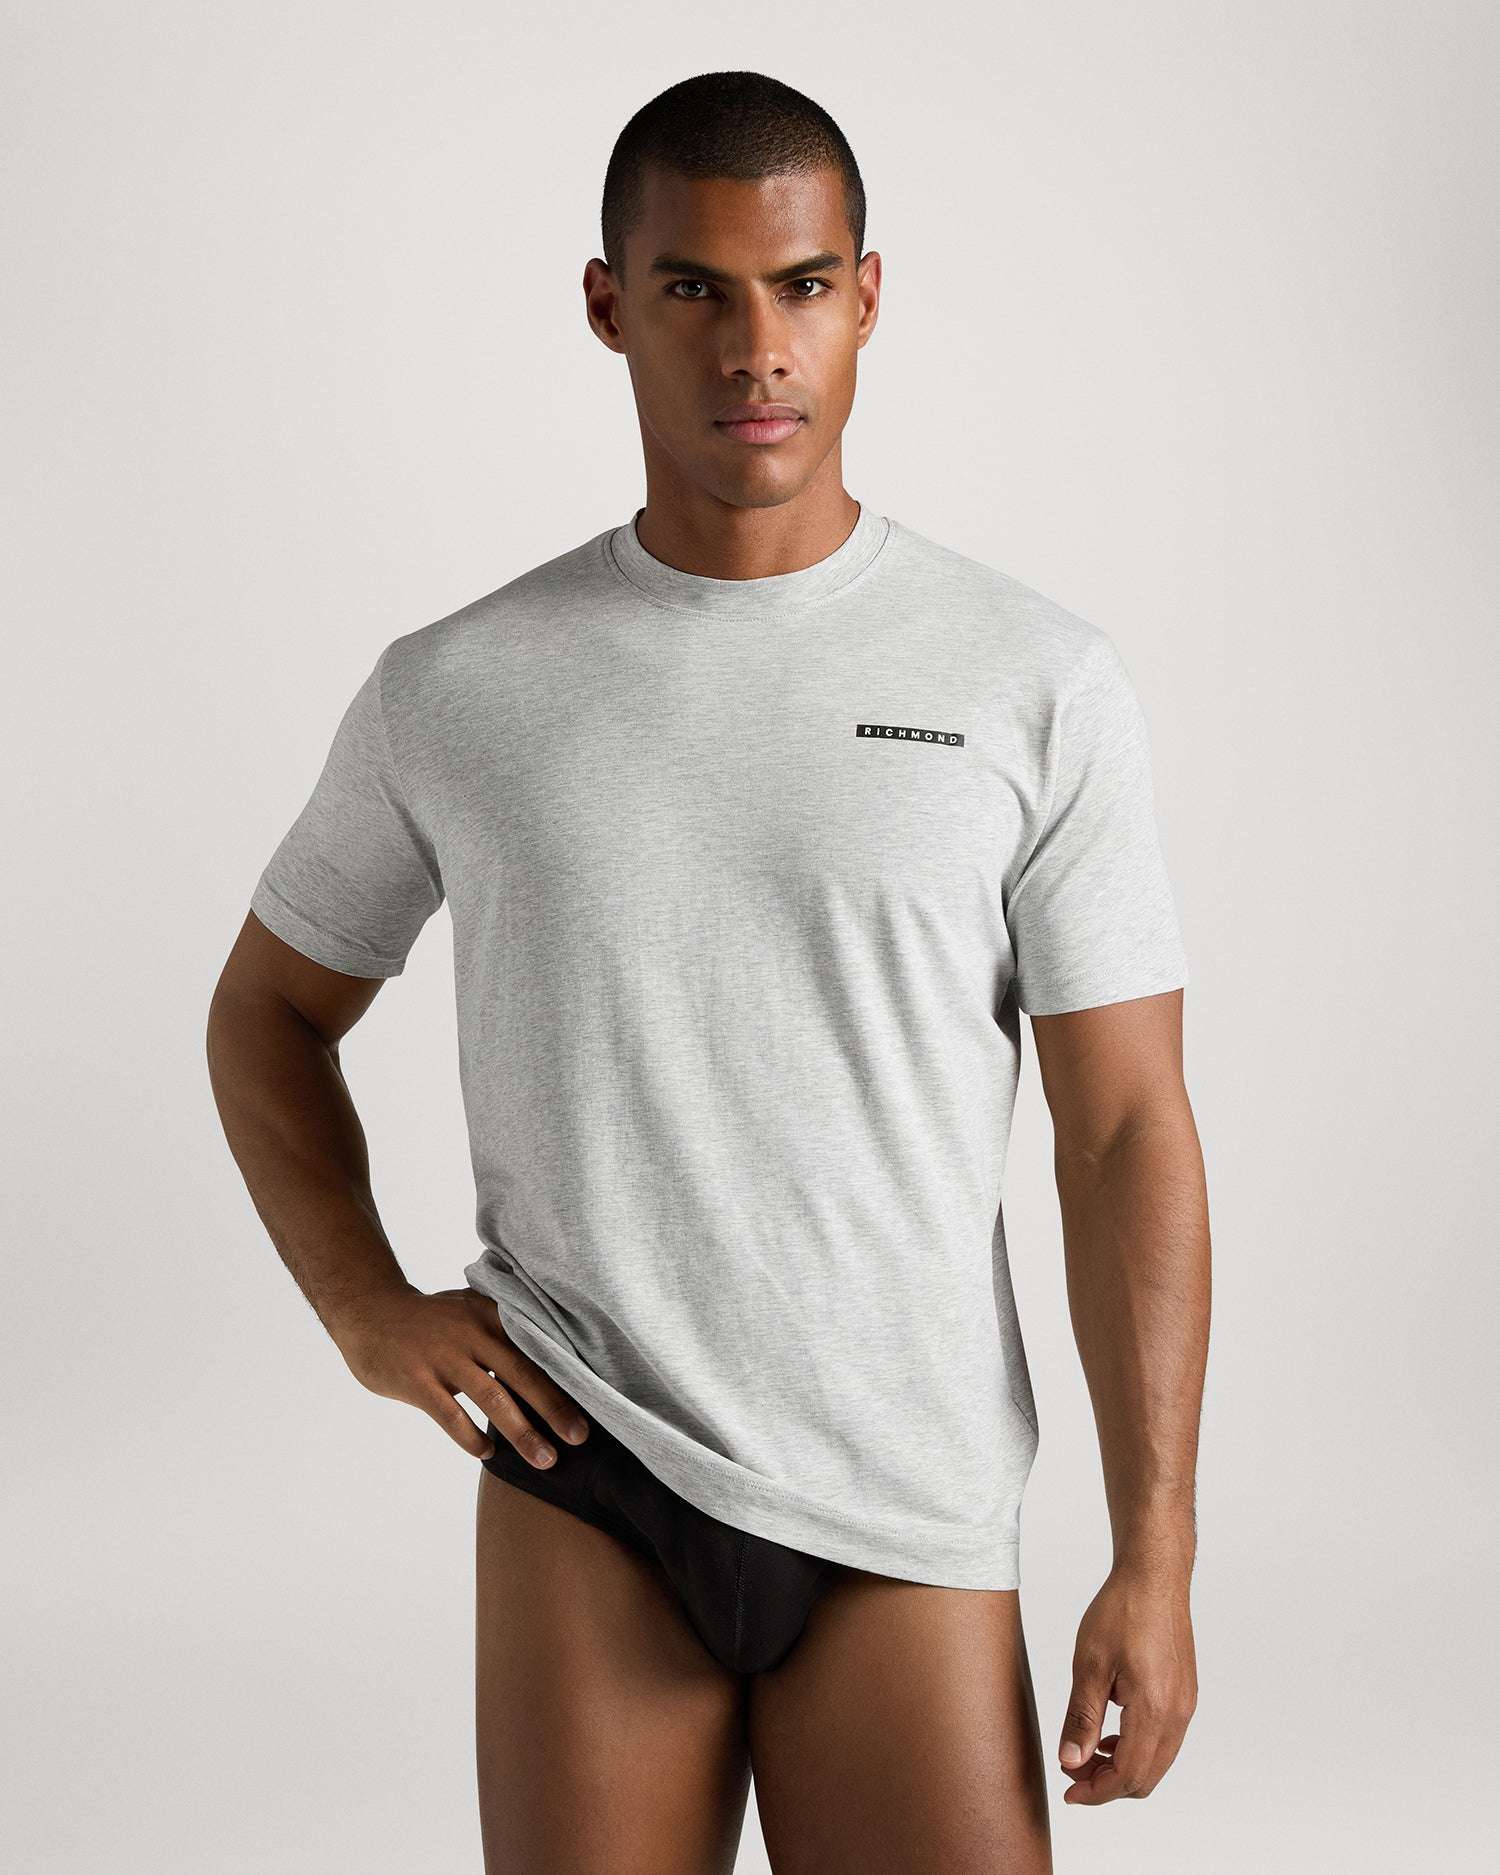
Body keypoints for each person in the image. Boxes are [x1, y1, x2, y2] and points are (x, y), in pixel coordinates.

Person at [207, 68, 1210, 1875]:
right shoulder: (462, 686)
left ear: (868, 297)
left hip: (905, 1495)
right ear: (610, 306)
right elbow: (270, 1011)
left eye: (803, 285)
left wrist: (1158, 1551)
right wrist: (364, 1309)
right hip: (591, 1463)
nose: (758, 347)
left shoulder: (1032, 680)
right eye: (696, 289)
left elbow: (1126, 1127)